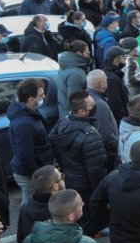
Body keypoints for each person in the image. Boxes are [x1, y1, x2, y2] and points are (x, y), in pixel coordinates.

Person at [49, 91, 107, 226]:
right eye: (91, 105)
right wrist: (101, 193)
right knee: (90, 219)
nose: (95, 106)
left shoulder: (63, 122)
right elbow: (96, 170)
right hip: (87, 185)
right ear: (82, 112)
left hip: (71, 178)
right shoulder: (90, 135)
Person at [8, 78, 53, 205]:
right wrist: (37, 177)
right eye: (41, 95)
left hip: (37, 168)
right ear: (31, 99)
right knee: (31, 205)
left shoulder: (29, 112)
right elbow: (24, 155)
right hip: (30, 174)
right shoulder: (24, 124)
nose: (44, 96)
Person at [17, 165, 65, 243]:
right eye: (62, 177)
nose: (63, 180)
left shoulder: (24, 208)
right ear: (55, 187)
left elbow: (20, 240)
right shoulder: (61, 211)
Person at [86, 69, 120, 171]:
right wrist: (118, 144)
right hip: (108, 155)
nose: (107, 82)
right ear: (101, 84)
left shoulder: (88, 97)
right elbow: (106, 135)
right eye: (106, 80)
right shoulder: (100, 105)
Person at [57, 40, 91, 117]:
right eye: (87, 53)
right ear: (79, 53)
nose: (89, 55)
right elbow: (75, 102)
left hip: (63, 112)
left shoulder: (65, 65)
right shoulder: (76, 74)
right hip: (73, 117)